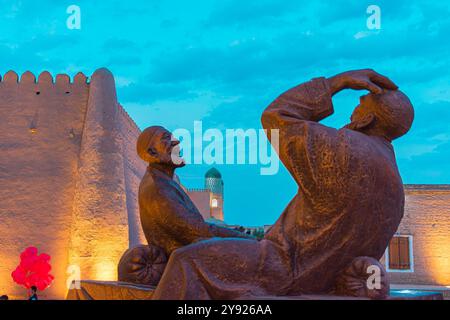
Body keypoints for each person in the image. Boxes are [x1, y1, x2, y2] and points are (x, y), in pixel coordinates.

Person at [151, 69, 414, 300]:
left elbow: (277, 117)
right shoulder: (395, 187)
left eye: (360, 104)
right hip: (322, 279)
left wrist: (336, 83)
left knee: (186, 261)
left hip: (282, 266)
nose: (353, 109)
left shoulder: (346, 149)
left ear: (366, 120)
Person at [136, 126, 254, 257]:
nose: (176, 142)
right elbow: (199, 232)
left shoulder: (164, 182)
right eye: (166, 139)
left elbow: (200, 229)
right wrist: (250, 241)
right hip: (188, 263)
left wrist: (245, 239)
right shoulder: (158, 188)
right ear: (152, 153)